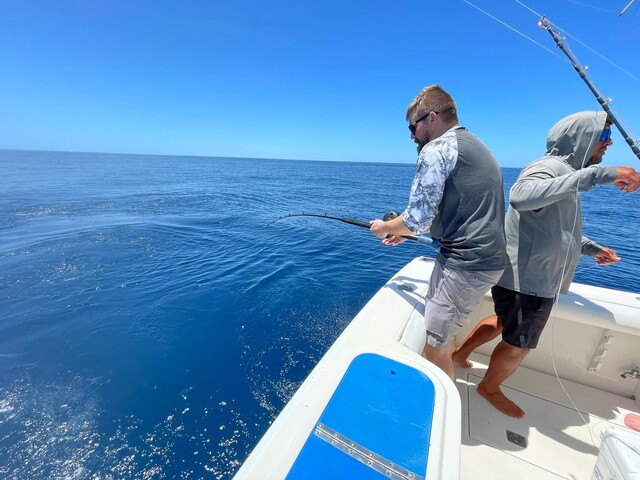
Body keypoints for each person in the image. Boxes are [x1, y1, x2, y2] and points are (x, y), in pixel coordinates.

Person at [452, 110, 640, 418]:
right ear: (582, 138)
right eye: (603, 136)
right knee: (518, 344)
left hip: (522, 276)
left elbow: (556, 230)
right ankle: (489, 388)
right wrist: (601, 174)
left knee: (502, 322)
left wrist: (592, 249)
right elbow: (520, 195)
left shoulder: (564, 173)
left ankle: (460, 356)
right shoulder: (550, 167)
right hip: (529, 280)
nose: (608, 144)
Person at [369, 85, 507, 379]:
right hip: (485, 260)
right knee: (443, 335)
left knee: (434, 350)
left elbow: (416, 218)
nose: (411, 135)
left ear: (431, 118)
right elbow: (460, 213)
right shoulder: (476, 146)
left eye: (412, 126)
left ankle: (439, 413)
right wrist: (405, 232)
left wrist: (384, 228)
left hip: (466, 265)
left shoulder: (437, 149)